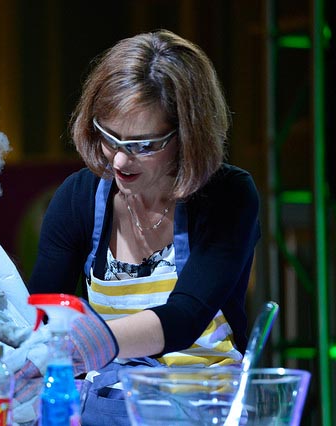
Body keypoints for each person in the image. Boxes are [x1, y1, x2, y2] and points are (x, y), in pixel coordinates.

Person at [26, 29, 260, 423]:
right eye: (109, 138)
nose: (119, 161)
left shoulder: (228, 196)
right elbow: (44, 314)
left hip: (204, 411)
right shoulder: (79, 198)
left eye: (143, 145)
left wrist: (89, 344)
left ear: (189, 136)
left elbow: (183, 319)